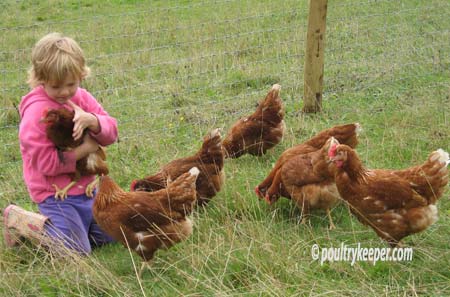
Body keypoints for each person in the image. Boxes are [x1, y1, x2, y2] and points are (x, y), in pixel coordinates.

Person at [3, 32, 118, 255]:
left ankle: (78, 228)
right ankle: (21, 221)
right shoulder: (35, 113)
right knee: (76, 251)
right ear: (40, 79)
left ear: (80, 76)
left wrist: (94, 121)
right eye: (56, 87)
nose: (65, 92)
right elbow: (46, 164)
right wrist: (86, 148)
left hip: (88, 190)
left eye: (71, 84)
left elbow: (112, 132)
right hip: (55, 195)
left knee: (116, 233)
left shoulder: (82, 98)